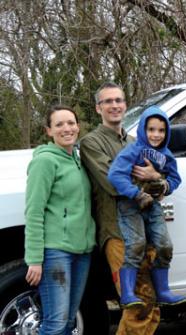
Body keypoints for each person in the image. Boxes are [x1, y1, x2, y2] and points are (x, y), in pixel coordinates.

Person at [80, 82, 163, 334]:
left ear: (126, 105)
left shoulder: (134, 141)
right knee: (138, 305)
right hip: (117, 234)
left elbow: (158, 188)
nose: (114, 105)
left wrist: (155, 176)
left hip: (144, 231)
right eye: (108, 101)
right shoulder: (91, 143)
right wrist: (150, 176)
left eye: (119, 100)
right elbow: (115, 184)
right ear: (98, 108)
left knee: (152, 305)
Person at [24, 105, 96, 335]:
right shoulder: (45, 162)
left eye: (71, 123)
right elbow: (34, 212)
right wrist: (34, 259)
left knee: (67, 323)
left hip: (82, 251)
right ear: (49, 131)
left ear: (78, 126)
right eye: (59, 124)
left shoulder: (77, 158)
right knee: (55, 324)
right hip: (56, 252)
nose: (67, 128)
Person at [107, 106, 185, 307]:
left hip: (153, 205)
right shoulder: (133, 150)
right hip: (130, 204)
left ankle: (163, 291)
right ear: (143, 129)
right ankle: (127, 294)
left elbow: (176, 179)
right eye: (151, 129)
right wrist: (136, 194)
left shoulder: (167, 155)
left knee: (164, 245)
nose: (156, 134)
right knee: (136, 244)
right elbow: (115, 175)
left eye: (161, 130)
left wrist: (163, 184)